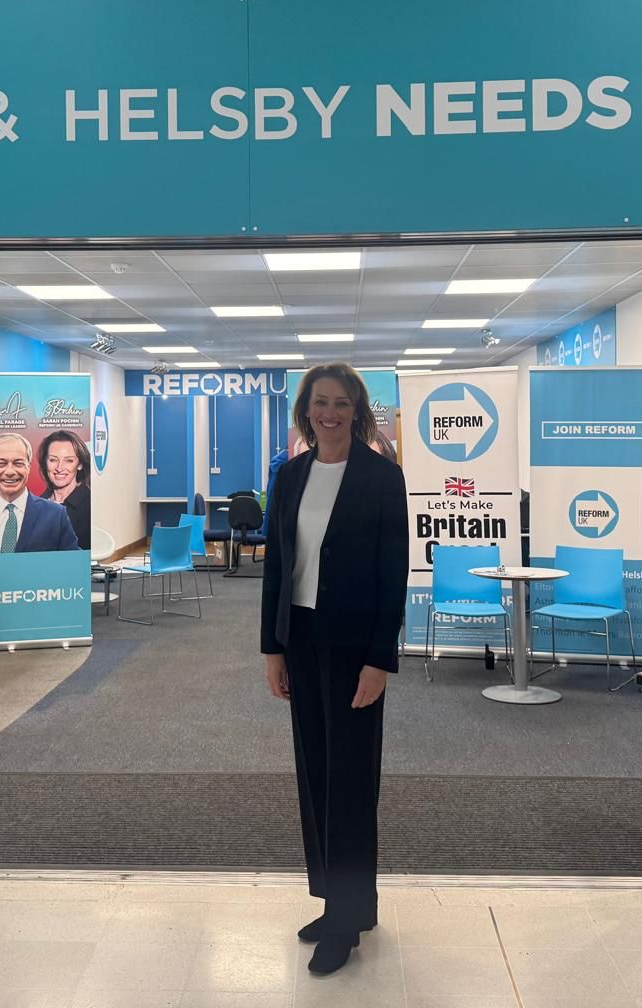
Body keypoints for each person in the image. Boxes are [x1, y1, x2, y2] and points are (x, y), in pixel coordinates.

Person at [261, 362, 407, 976]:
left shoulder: (381, 477)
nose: (330, 413)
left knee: (350, 780)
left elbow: (391, 575)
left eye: (341, 403)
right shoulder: (290, 475)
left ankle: (347, 920)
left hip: (353, 651)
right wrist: (272, 647)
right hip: (302, 639)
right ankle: (339, 900)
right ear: (306, 411)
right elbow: (277, 567)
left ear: (357, 409)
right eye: (321, 402)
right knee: (316, 775)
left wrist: (379, 659)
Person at [0, 432, 78, 553]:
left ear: (28, 466)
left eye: (18, 463)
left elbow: (72, 565)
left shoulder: (56, 516)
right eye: (1, 463)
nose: (10, 471)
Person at [38, 429, 92, 551]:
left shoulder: (92, 502)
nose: (59, 468)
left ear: (80, 464)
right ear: (45, 463)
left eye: (69, 460)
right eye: (53, 460)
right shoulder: (36, 505)